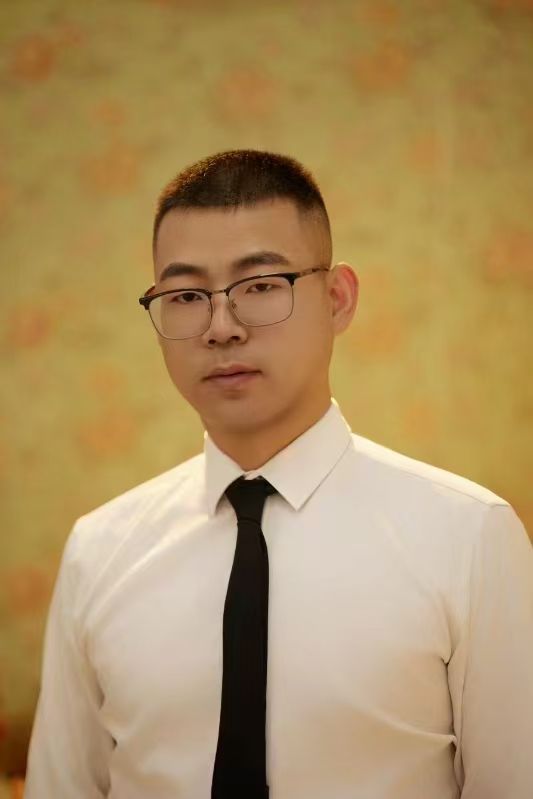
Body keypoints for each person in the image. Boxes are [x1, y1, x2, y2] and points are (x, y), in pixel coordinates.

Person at [25, 149, 533, 799]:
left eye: (260, 285)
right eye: (186, 296)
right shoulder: (99, 551)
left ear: (337, 298)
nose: (221, 327)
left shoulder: (467, 536)